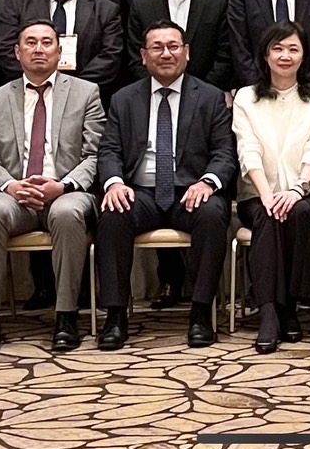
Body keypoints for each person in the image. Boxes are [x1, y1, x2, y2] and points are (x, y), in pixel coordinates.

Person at [94, 20, 236, 349]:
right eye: (157, 47)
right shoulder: (123, 98)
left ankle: (201, 312)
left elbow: (225, 153)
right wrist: (114, 183)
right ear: (143, 56)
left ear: (186, 52)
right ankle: (115, 316)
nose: (166, 53)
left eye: (173, 46)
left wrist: (208, 182)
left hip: (189, 191)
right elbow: (110, 149)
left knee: (213, 214)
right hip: (140, 192)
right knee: (112, 214)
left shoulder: (211, 98)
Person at [0, 23, 105, 354]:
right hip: (15, 194)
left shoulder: (86, 93)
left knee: (68, 213)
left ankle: (66, 316)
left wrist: (62, 186)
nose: (39, 49)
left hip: (66, 190)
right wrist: (12, 186)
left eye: (47, 43)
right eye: (30, 43)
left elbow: (94, 155)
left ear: (60, 53)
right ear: (18, 53)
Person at [231, 22, 310, 353]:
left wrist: (297, 189)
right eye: (277, 48)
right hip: (258, 193)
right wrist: (267, 194)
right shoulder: (246, 97)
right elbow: (247, 150)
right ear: (265, 55)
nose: (285, 56)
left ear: (304, 55)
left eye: (293, 49)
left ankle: (291, 304)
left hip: (308, 192)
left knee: (298, 212)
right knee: (267, 215)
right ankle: (270, 313)